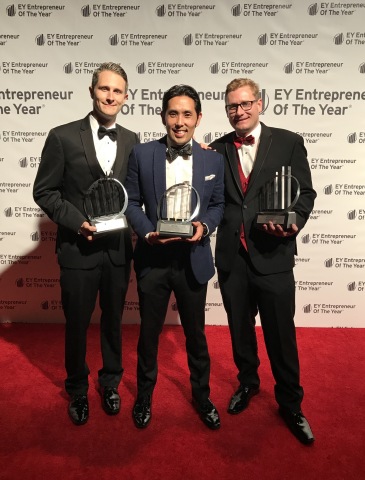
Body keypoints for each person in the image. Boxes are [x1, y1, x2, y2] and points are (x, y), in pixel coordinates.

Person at [210, 78, 316, 444]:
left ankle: (290, 403)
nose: (238, 112)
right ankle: (247, 383)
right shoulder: (216, 149)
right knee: (240, 332)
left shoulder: (287, 142)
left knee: (281, 337)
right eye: (231, 107)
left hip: (273, 255)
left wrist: (294, 224)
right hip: (231, 259)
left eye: (244, 104)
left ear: (260, 103)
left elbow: (305, 195)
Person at [33, 62, 139, 425]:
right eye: (104, 89)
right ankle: (77, 388)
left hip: (118, 251)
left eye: (117, 91)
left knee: (113, 321)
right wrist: (77, 222)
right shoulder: (62, 136)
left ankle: (110, 381)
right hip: (78, 249)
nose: (110, 96)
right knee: (77, 323)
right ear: (92, 90)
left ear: (126, 97)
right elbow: (44, 191)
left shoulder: (132, 139)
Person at [125, 84, 224, 430]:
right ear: (163, 116)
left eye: (186, 114)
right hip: (153, 259)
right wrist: (147, 232)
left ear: (198, 118)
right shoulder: (141, 154)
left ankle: (202, 395)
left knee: (196, 336)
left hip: (193, 259)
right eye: (173, 113)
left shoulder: (214, 159)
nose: (179, 121)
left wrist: (205, 227)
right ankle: (144, 395)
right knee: (148, 335)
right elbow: (131, 202)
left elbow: (217, 205)